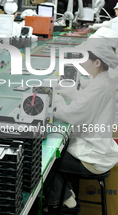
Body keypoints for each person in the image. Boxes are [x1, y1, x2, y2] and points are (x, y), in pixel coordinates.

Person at [43, 40, 118, 214]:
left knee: (45, 160)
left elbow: (73, 115)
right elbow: (85, 101)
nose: (82, 62)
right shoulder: (102, 80)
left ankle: (63, 201)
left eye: (85, 59)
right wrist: (64, 90)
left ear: (97, 62)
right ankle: (64, 194)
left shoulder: (101, 86)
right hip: (100, 148)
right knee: (59, 148)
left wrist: (55, 101)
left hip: (93, 158)